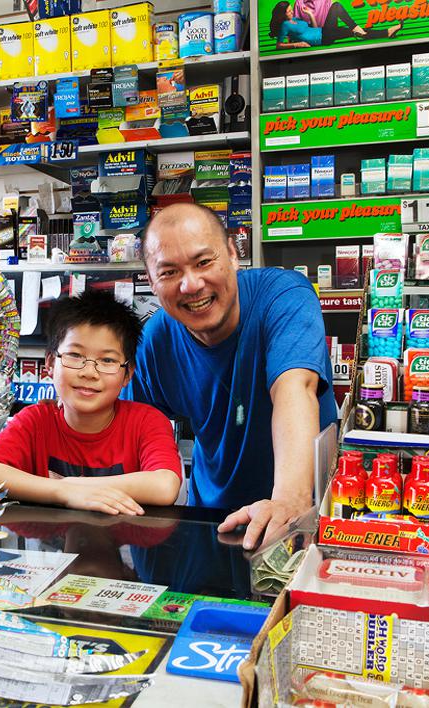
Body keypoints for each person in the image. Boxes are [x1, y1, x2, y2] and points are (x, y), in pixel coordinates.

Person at [128, 203, 337, 550]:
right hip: (212, 524)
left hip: (301, 521)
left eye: (203, 262)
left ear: (232, 254)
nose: (191, 285)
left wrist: (288, 500)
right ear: (151, 282)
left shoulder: (284, 296)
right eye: (168, 273)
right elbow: (128, 427)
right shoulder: (157, 339)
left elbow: (295, 386)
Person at [0, 289, 183, 515]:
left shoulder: (146, 422)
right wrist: (63, 492)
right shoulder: (36, 421)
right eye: (75, 355)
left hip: (125, 544)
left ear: (128, 374)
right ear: (51, 363)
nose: (89, 372)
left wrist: (79, 487)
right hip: (50, 548)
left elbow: (164, 486)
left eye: (108, 360)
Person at [269, 0, 401, 49]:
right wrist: (297, 44)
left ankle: (388, 32)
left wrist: (310, 14)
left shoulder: (296, 20)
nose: (292, 11)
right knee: (336, 6)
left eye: (291, 9)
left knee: (357, 33)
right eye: (289, 11)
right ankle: (357, 28)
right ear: (282, 14)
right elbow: (279, 45)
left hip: (323, 32)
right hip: (323, 38)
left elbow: (313, 28)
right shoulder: (285, 26)